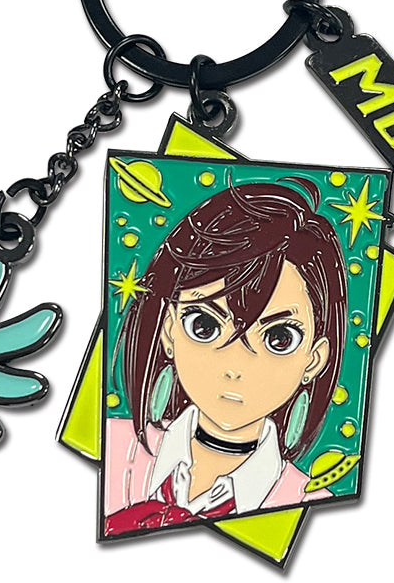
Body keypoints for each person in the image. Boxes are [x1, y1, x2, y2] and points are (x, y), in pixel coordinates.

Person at [103, 177, 348, 535]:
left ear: (314, 359)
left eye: (279, 338)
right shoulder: (111, 445)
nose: (235, 365)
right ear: (169, 329)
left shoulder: (310, 505)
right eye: (204, 325)